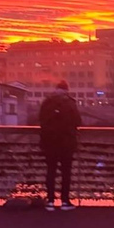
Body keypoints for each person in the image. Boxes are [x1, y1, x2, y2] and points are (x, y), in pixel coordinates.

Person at [39, 80, 81, 212]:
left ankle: (50, 201)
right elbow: (78, 121)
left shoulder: (47, 102)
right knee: (66, 173)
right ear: (67, 90)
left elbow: (41, 119)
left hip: (50, 142)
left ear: (55, 89)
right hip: (66, 143)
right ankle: (65, 201)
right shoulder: (70, 103)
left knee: (51, 171)